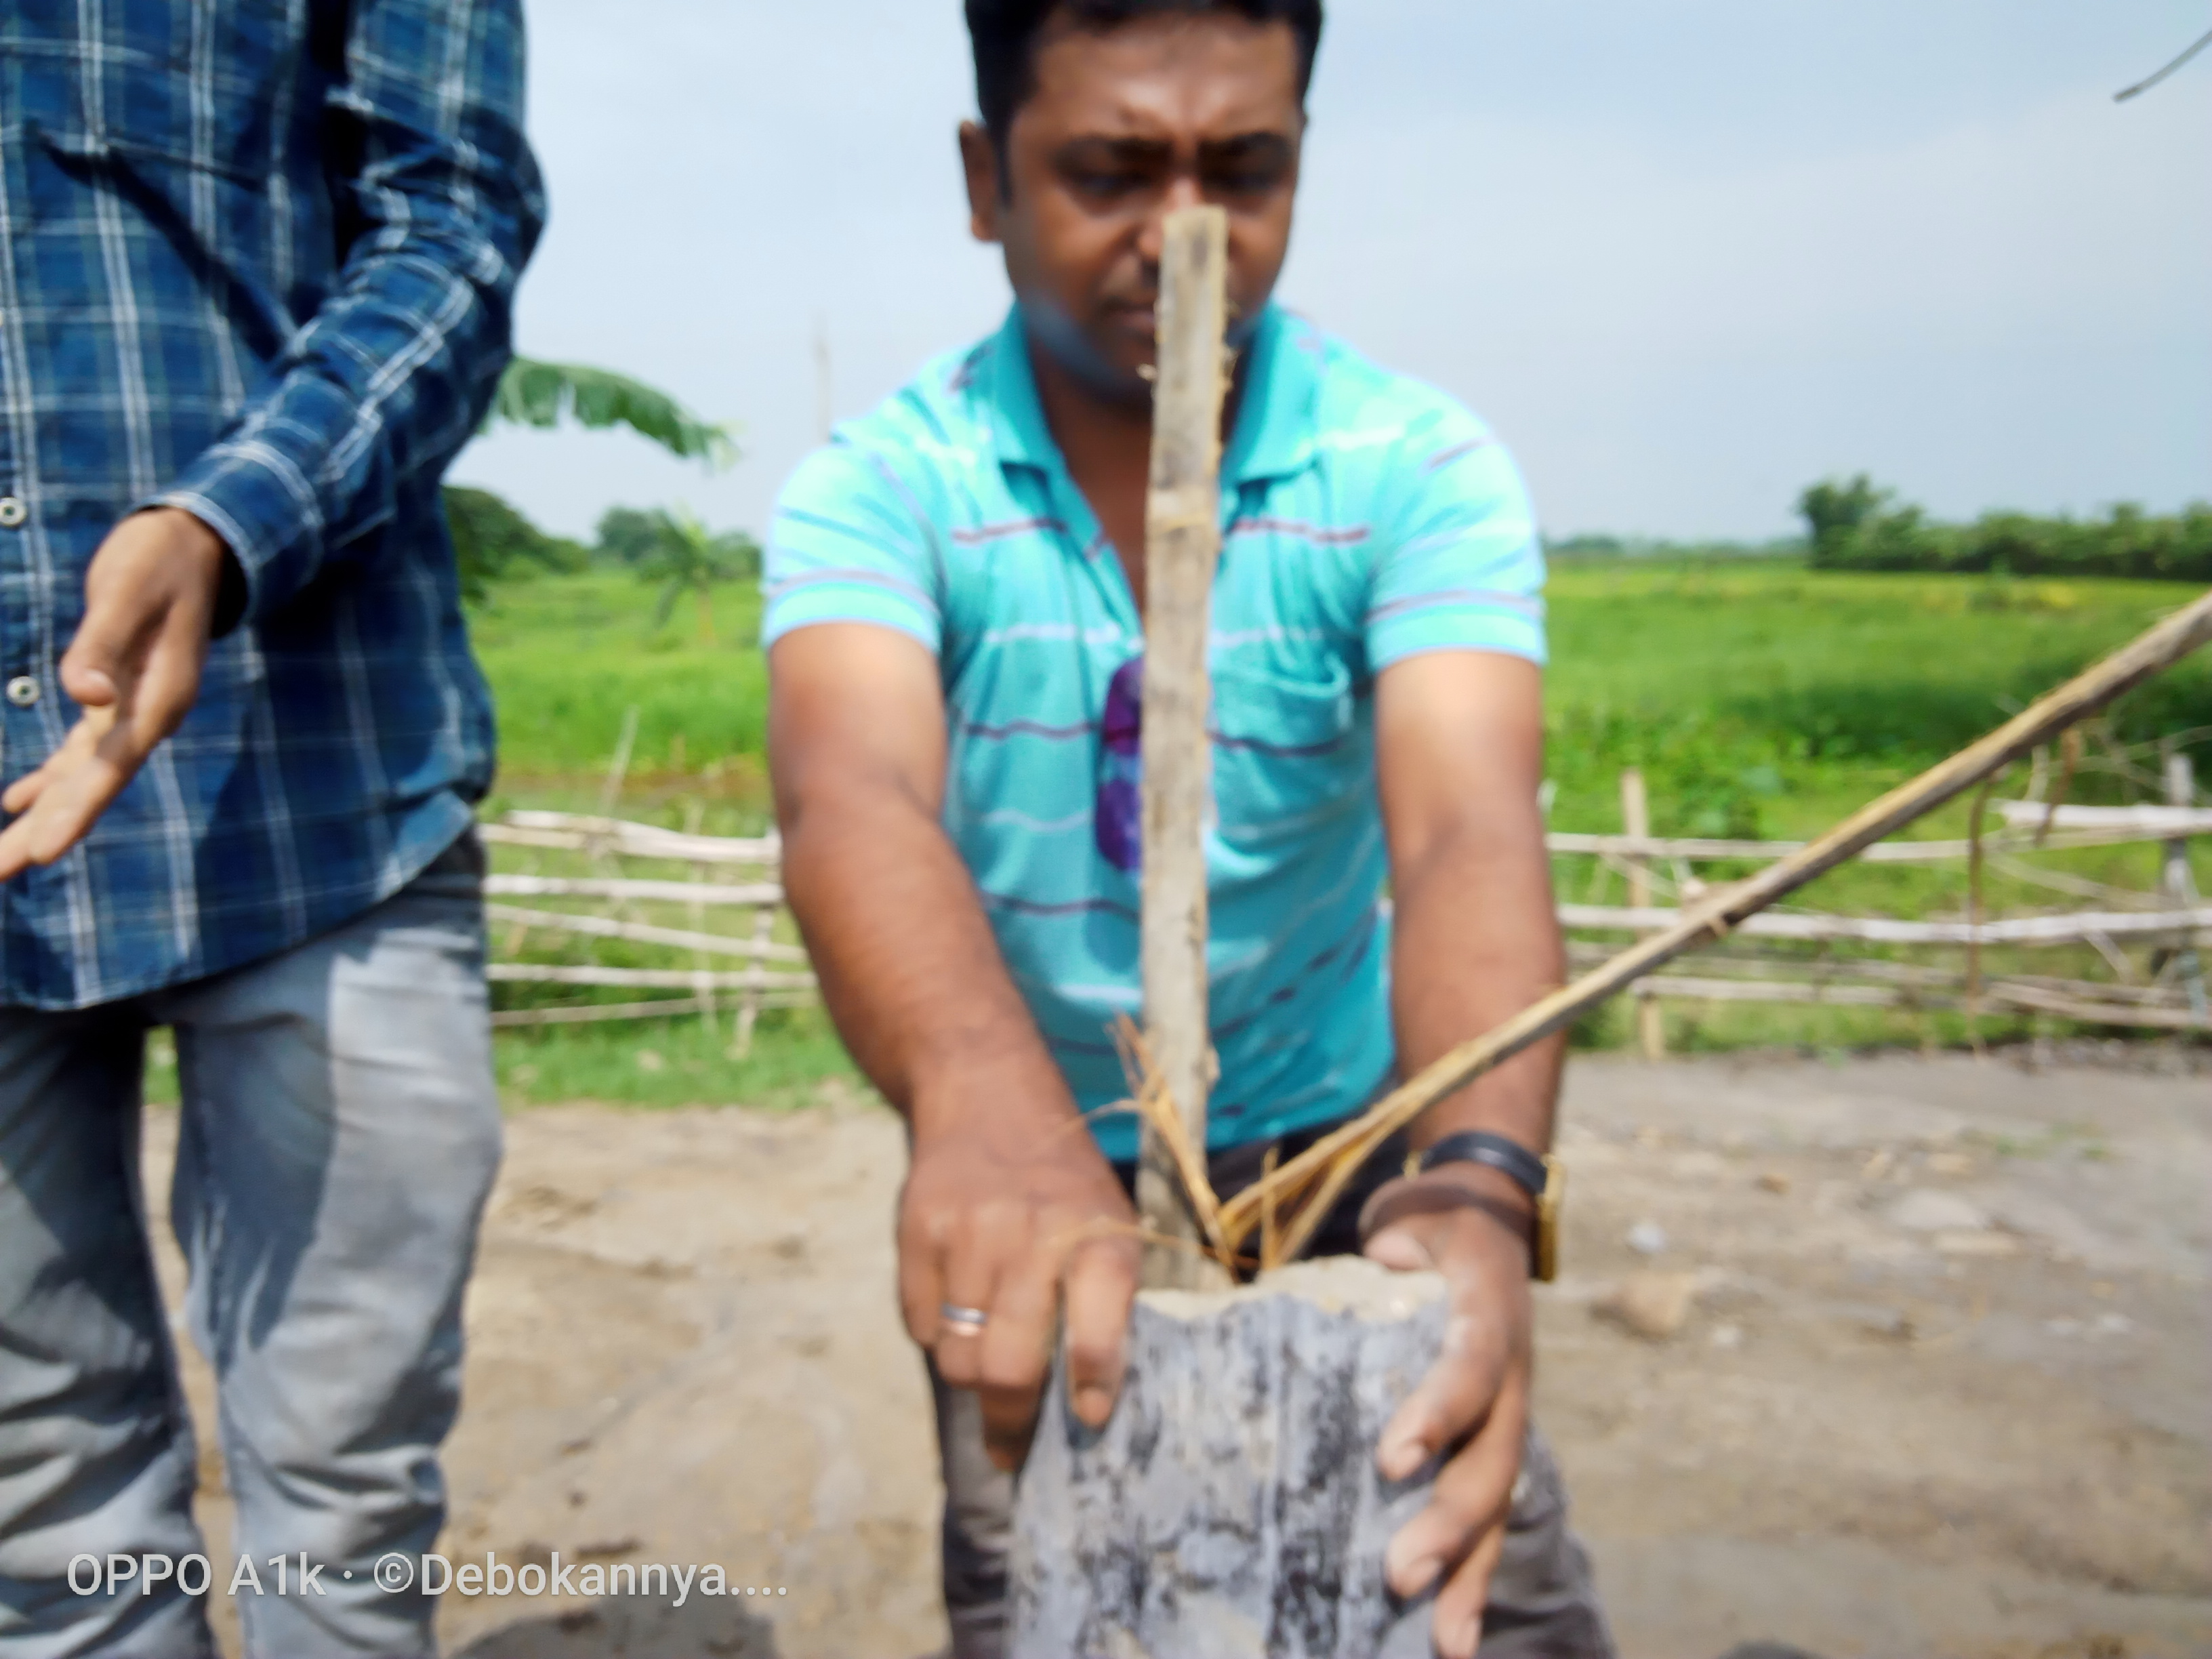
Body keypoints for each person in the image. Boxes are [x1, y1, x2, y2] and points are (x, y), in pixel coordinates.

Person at [765, 2, 1614, 1656]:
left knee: (1469, 1583)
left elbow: (1465, 833)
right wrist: (986, 1106)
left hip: (1352, 1142)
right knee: (1056, 1594)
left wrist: (1480, 1176)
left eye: (1244, 171)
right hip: (1038, 1164)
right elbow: (849, 796)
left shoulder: (1411, 464)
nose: (1182, 236)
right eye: (1109, 172)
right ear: (983, 181)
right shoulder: (885, 487)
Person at [0, 3, 543, 1654]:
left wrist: (234, 518)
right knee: (37, 1517)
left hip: (314, 770)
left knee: (348, 1504)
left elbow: (449, 217)